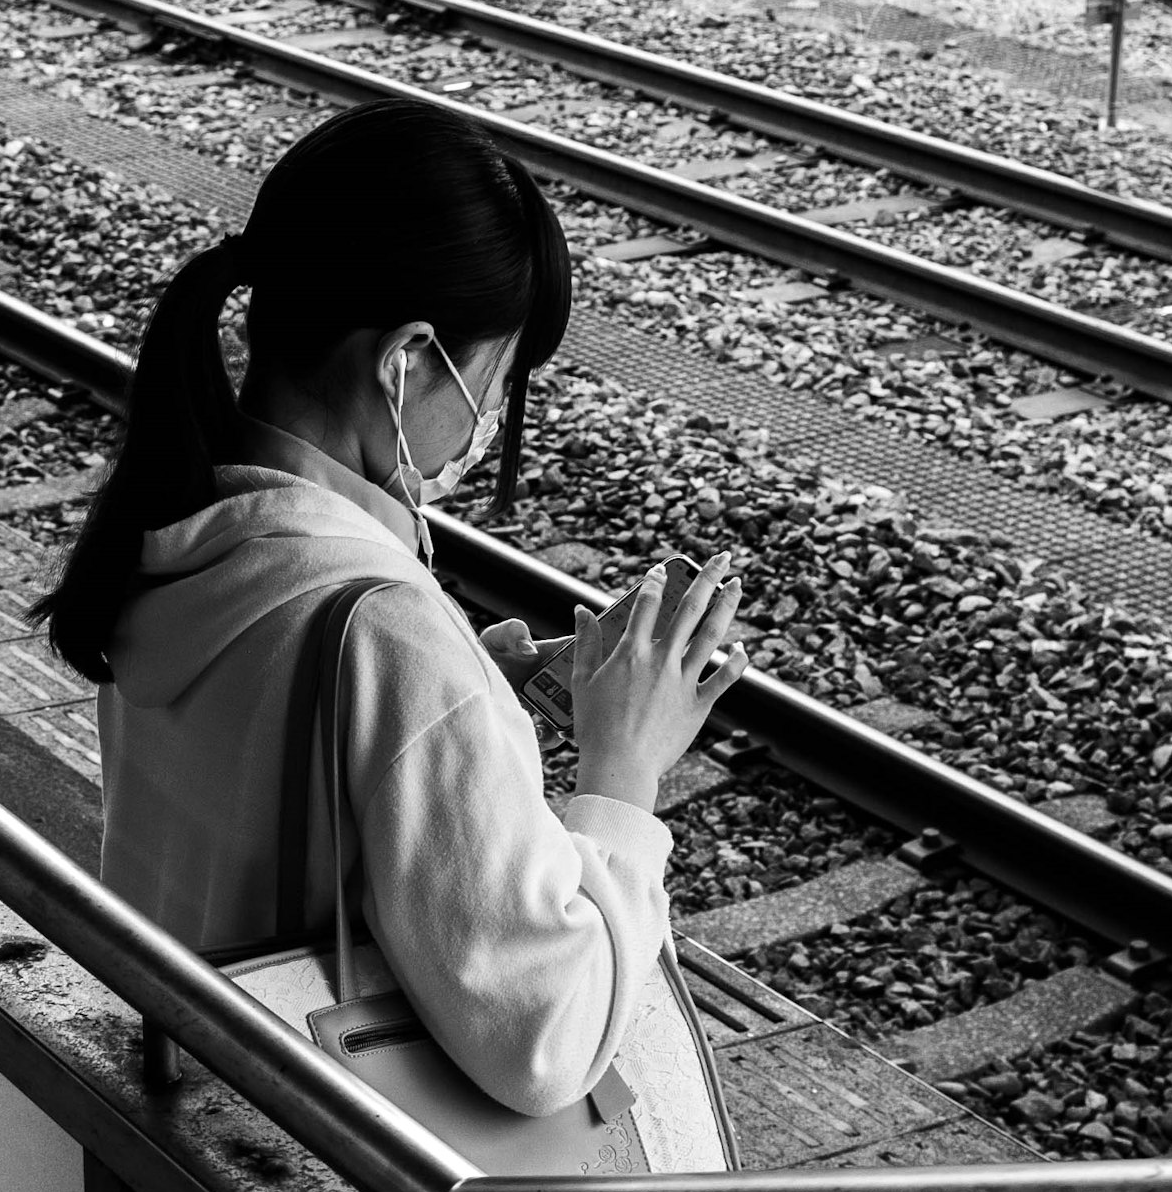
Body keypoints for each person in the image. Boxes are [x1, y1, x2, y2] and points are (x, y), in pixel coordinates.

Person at [41, 102, 747, 1120]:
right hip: (324, 1178)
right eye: (499, 382)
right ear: (409, 358)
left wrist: (472, 699)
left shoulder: (177, 522)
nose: (489, 420)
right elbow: (546, 1041)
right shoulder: (387, 635)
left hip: (184, 1113)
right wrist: (622, 770)